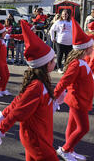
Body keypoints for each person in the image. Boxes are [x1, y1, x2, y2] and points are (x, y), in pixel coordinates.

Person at [0, 19, 58, 161]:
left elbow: (19, 101)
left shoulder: (42, 82)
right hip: (36, 138)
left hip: (41, 134)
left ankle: (0, 90)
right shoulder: (37, 86)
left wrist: (1, 116)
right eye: (52, 60)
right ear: (44, 64)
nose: (55, 62)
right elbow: (19, 110)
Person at [54, 18, 94, 161]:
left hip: (80, 99)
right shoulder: (76, 64)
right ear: (85, 48)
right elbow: (64, 82)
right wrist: (54, 97)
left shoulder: (82, 62)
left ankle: (69, 149)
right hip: (77, 101)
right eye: (91, 47)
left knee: (72, 126)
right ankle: (65, 150)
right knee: (83, 128)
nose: (93, 48)